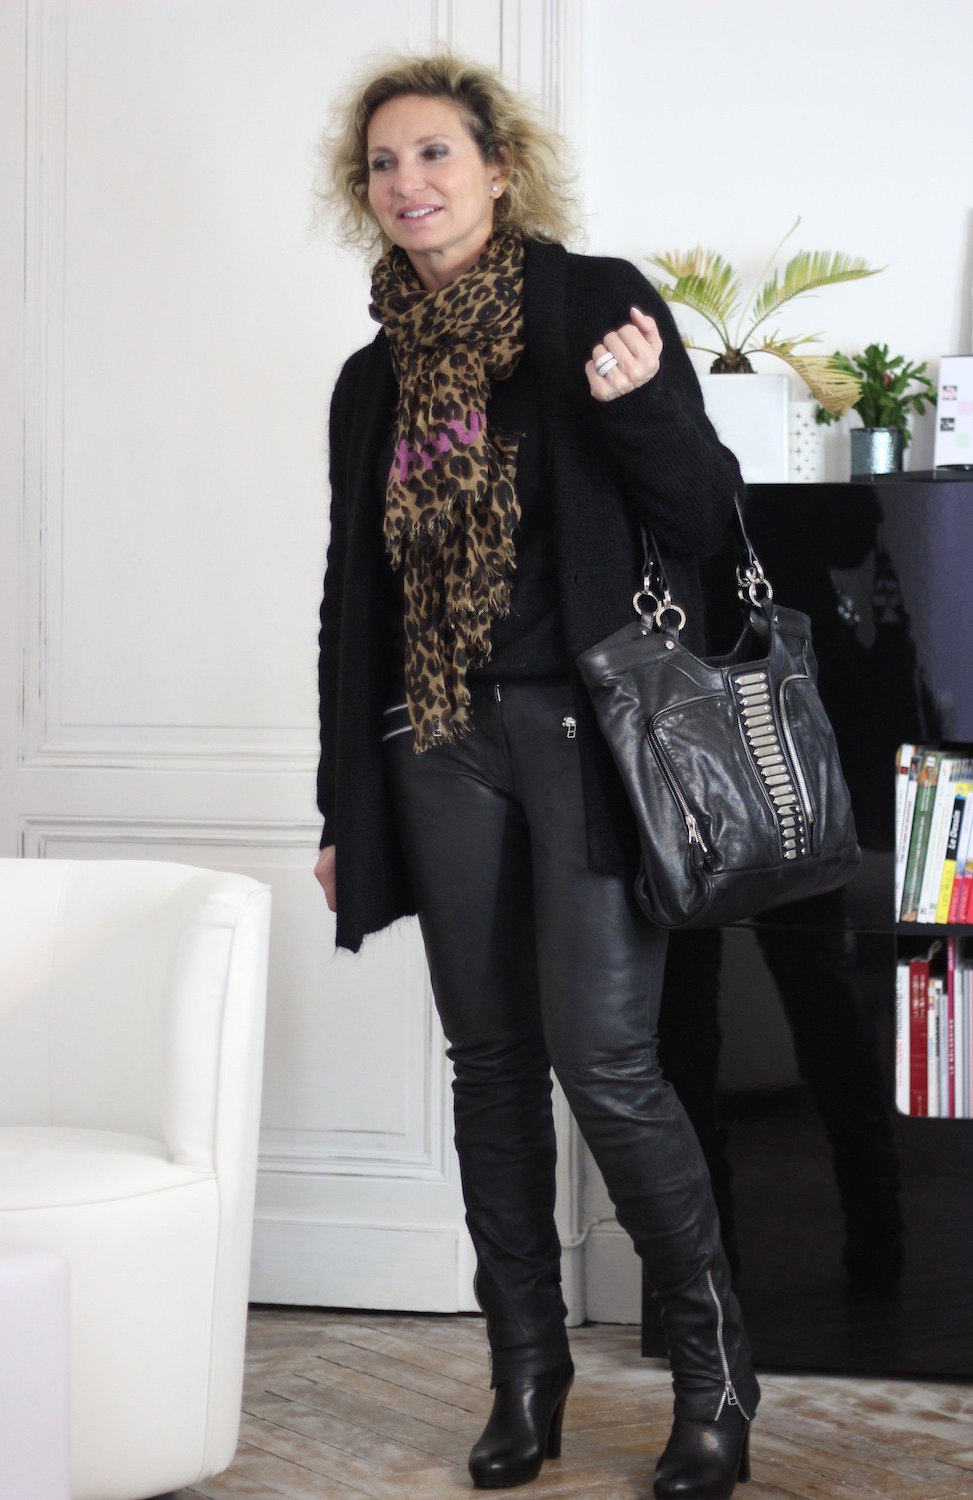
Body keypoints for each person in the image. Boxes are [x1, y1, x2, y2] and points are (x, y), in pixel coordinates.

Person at [313, 50, 759, 1499]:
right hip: (434, 743)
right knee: (492, 1065)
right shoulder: (372, 379)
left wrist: (640, 407)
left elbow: (707, 518)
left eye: (436, 152)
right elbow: (351, 602)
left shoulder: (590, 305)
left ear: (500, 170)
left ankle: (714, 1373)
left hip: (586, 736)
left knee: (607, 1064)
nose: (409, 183)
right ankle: (526, 1373)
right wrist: (342, 804)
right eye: (384, 163)